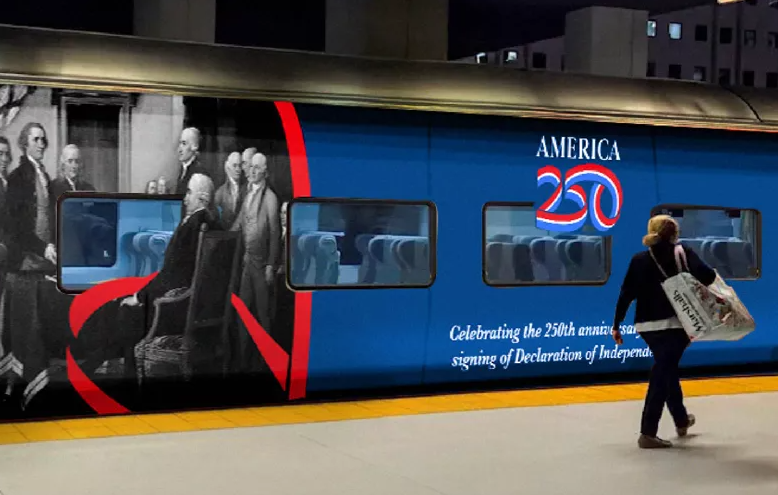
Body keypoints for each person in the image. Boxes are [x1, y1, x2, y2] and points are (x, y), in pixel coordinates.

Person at [612, 214, 716, 449]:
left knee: (666, 368)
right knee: (662, 371)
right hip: (678, 324)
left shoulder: (639, 259)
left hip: (646, 327)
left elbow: (626, 293)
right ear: (674, 233)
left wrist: (617, 324)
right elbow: (708, 276)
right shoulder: (682, 253)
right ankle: (647, 432)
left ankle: (681, 419)